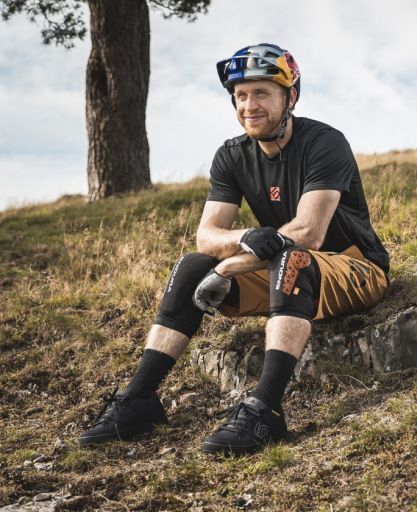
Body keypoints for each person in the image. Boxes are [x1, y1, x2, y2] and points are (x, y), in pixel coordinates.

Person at [78, 43, 390, 455]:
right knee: (192, 266)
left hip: (355, 268)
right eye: (241, 95)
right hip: (286, 271)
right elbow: (207, 235)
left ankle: (265, 411)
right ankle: (138, 400)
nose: (249, 106)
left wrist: (228, 268)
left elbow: (309, 233)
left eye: (261, 93)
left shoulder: (324, 142)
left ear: (290, 97)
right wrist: (243, 237)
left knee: (292, 258)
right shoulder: (231, 155)